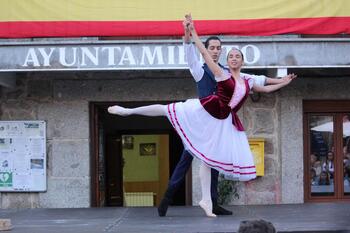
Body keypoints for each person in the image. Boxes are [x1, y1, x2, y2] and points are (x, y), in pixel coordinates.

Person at [108, 15, 296, 217]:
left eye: (218, 48)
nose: (215, 51)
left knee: (212, 164)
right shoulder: (201, 70)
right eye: (212, 47)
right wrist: (188, 33)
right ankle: (167, 199)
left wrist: (282, 80)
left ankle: (212, 203)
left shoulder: (230, 72)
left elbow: (259, 81)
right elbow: (192, 53)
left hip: (218, 123)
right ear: (208, 49)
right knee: (184, 162)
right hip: (200, 120)